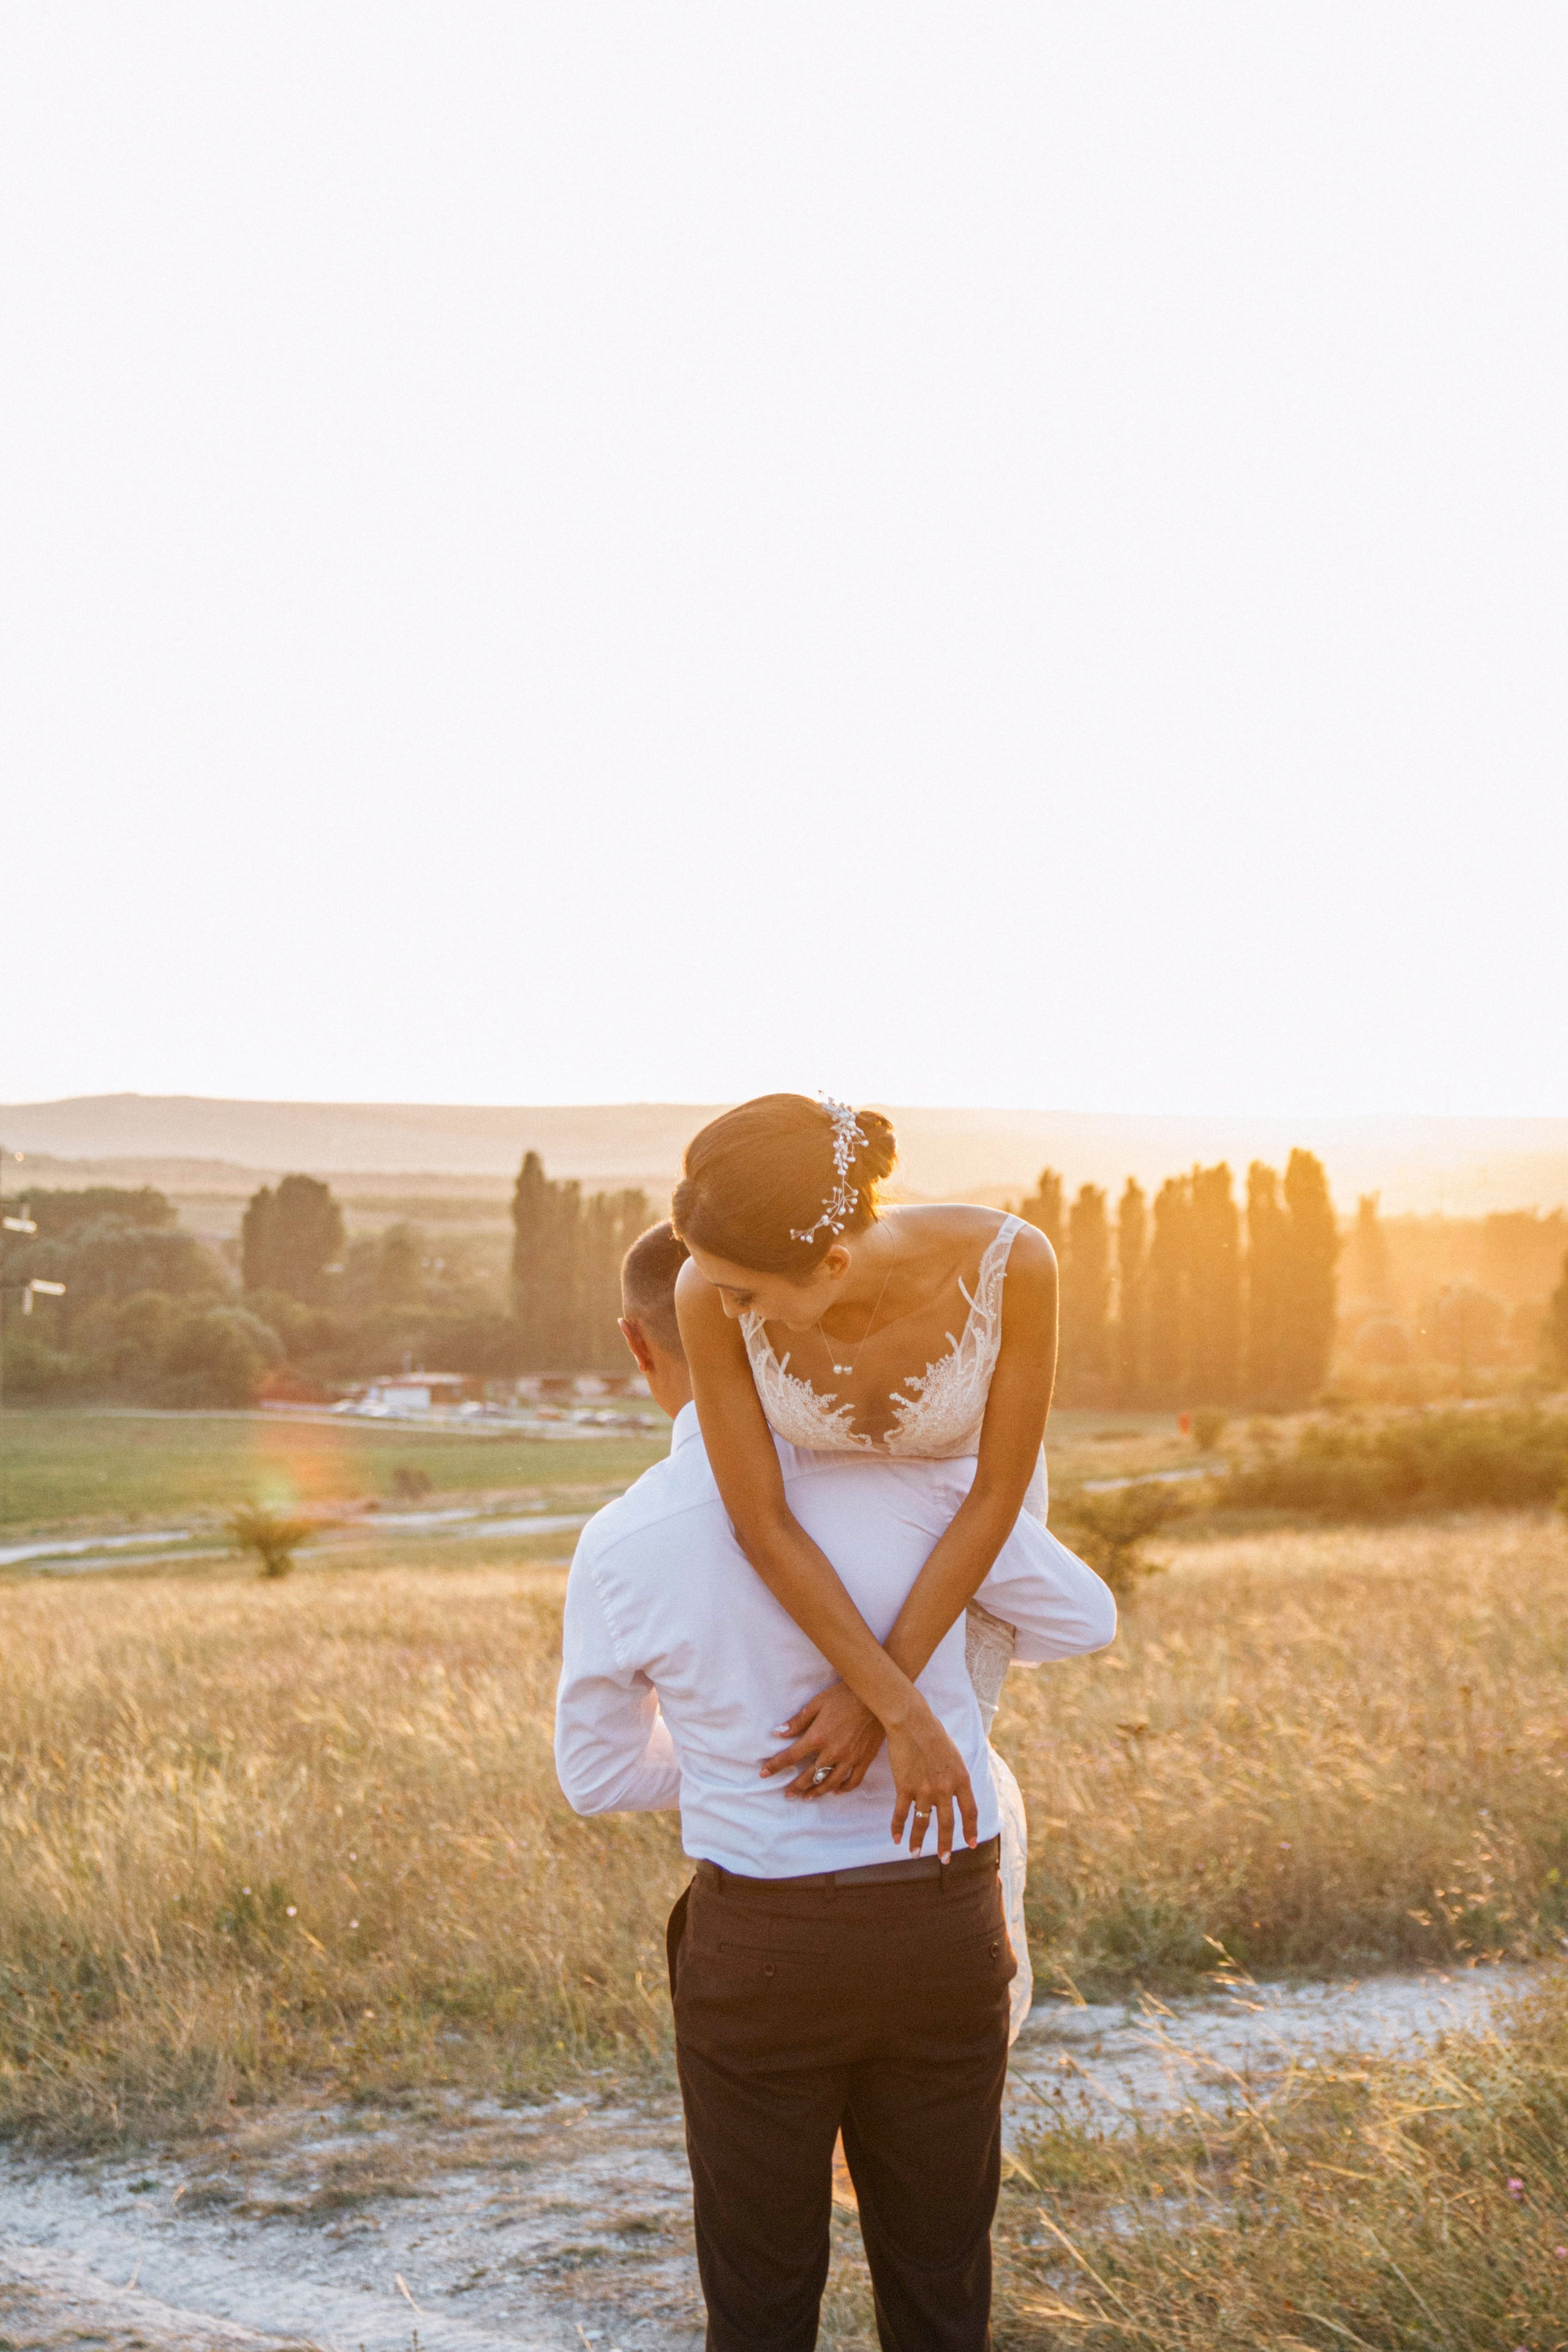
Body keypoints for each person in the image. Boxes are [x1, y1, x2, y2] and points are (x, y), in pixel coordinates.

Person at [556, 1220, 1114, 2352]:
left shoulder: (623, 1542)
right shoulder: (913, 1496)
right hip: (940, 1922)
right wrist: (932, 1648)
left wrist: (731, 1762)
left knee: (759, 2301)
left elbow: (598, 1774)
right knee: (942, 2283)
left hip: (762, 1951)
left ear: (636, 1344)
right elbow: (1082, 1619)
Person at [670, 1094, 1058, 2001]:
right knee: (816, 1802)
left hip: (962, 1572)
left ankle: (954, 2044)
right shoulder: (703, 1289)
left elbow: (999, 1492)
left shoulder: (1013, 1263)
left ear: (834, 1261)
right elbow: (758, 1522)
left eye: (747, 1294)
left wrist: (893, 1701)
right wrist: (894, 1708)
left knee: (935, 1801)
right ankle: (820, 2053)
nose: (726, 1310)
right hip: (801, 1575)